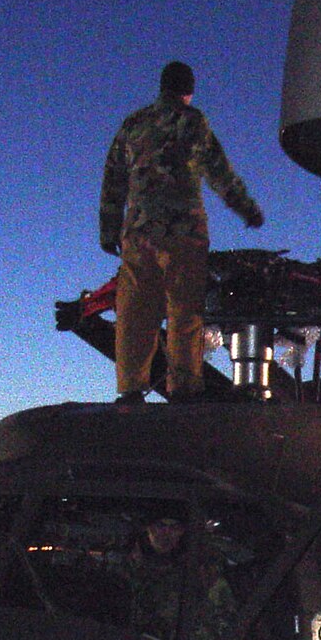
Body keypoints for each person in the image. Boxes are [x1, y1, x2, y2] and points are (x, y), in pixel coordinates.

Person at [100, 60, 265, 404]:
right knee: (185, 311)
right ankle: (185, 388)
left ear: (162, 88)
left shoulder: (134, 124)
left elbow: (113, 179)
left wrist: (109, 227)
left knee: (135, 311)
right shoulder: (193, 121)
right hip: (184, 234)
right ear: (188, 91)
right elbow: (219, 173)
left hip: (139, 234)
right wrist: (246, 209)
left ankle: (131, 388)